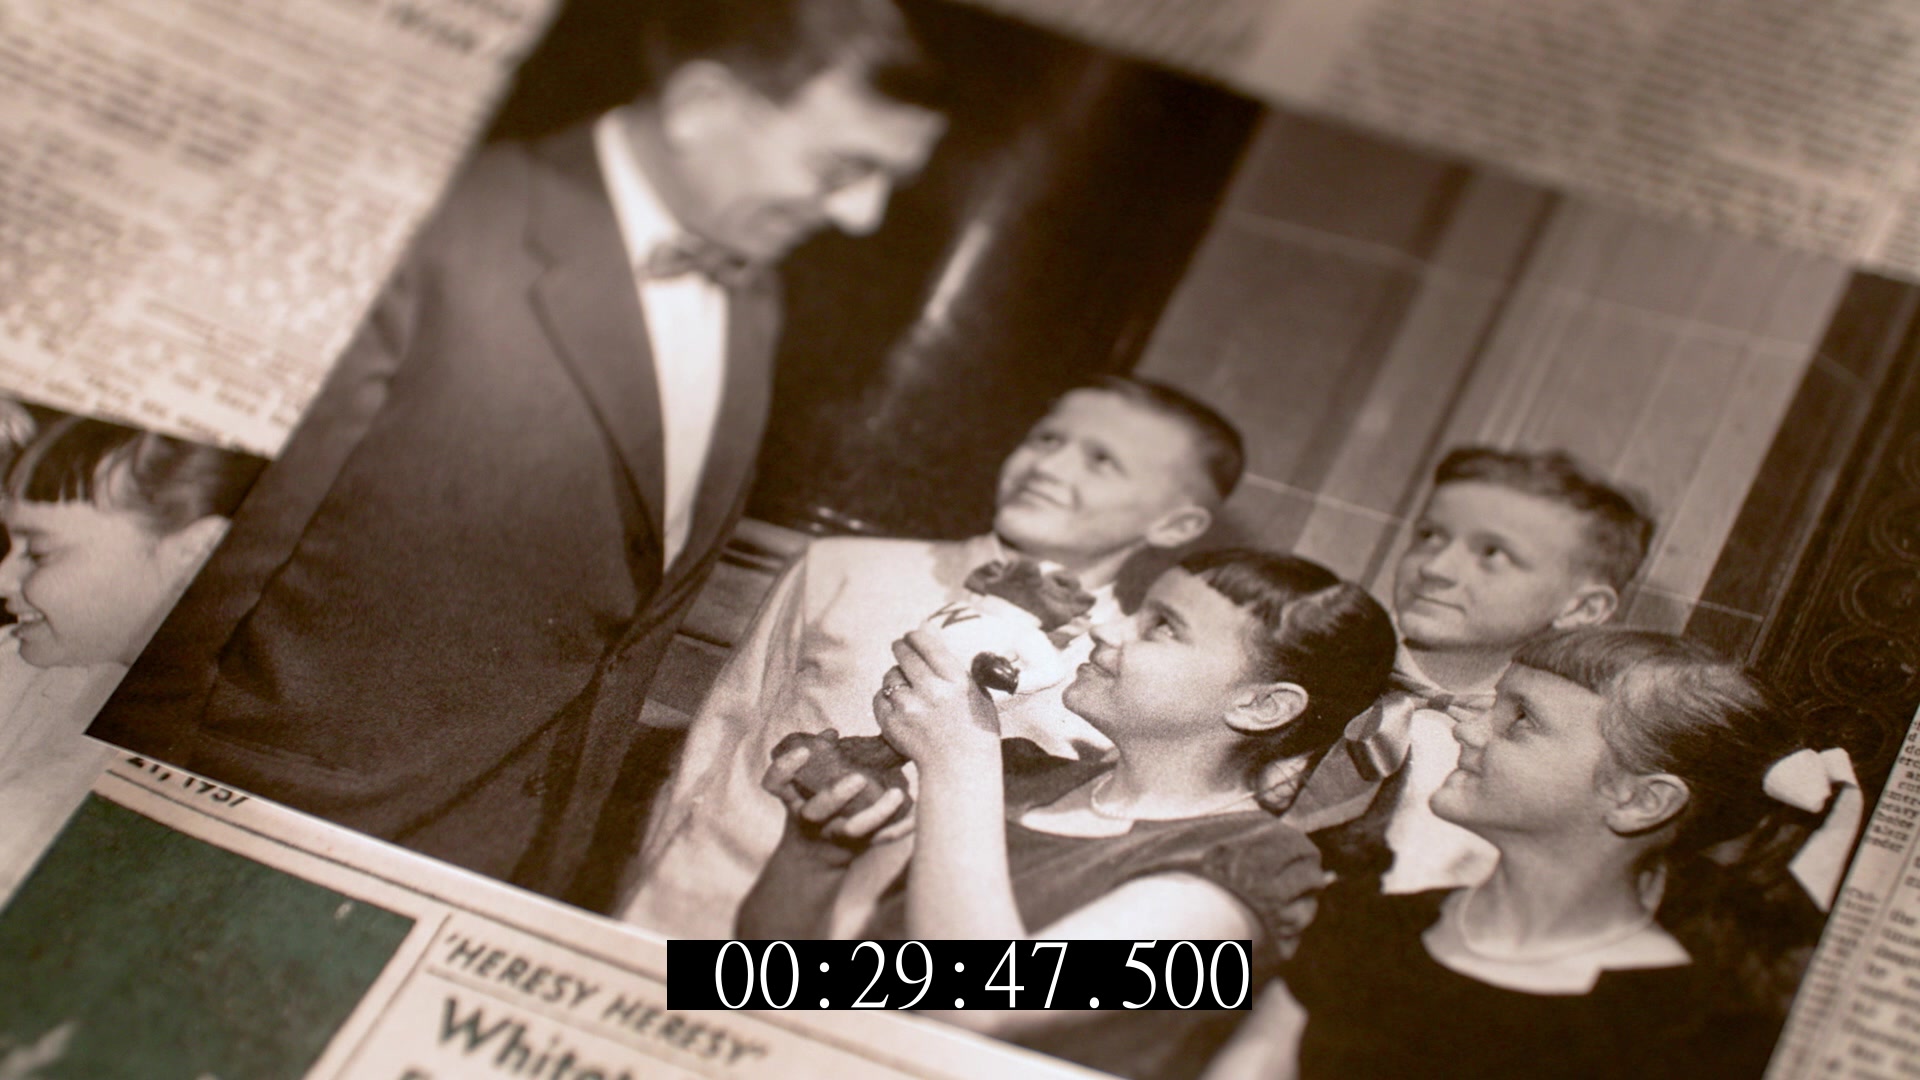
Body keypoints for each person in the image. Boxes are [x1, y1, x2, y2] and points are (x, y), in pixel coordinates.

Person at [88, 0, 948, 908]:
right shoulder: (431, 225)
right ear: (702, 105)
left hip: (500, 868)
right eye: (842, 168)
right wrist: (121, 832)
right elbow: (192, 575)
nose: (862, 216)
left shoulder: (755, 293)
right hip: (251, 836)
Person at [623, 375, 1245, 936]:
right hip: (697, 922)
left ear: (1175, 527)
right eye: (1046, 439)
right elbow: (719, 736)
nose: (1048, 467)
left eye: (1101, 461)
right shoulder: (845, 568)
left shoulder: (1123, 667)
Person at [739, 549, 1396, 1080]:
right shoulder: (1020, 777)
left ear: (1262, 706)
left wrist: (959, 760)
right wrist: (816, 853)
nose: (1108, 628)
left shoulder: (1261, 866)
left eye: (1163, 626)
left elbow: (982, 1010)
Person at [1282, 628, 1853, 1079]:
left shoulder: (1687, 1032)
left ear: (1640, 801)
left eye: (1520, 721)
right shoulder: (1366, 924)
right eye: (1493, 705)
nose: (1468, 731)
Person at [1284, 446, 1655, 894]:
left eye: (1492, 554)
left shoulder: (1565, 765)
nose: (1435, 568)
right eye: (1429, 536)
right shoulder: (1300, 663)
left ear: (1582, 608)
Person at [0, 415, 265, 901]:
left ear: (196, 554)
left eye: (38, 553)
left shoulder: (246, 731)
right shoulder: (22, 666)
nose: (2, 580)